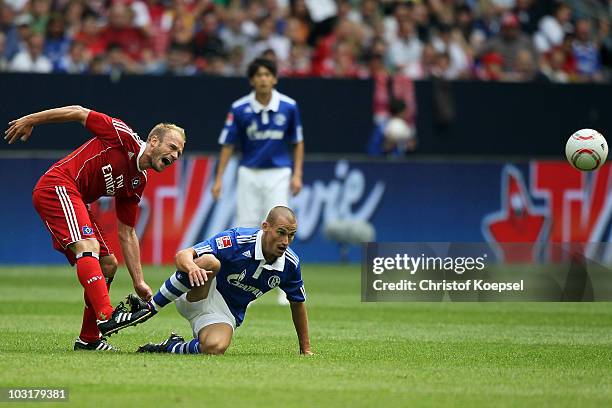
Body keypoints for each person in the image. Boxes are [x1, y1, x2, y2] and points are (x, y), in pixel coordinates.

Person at [4, 105, 185, 351]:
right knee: (88, 245)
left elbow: (127, 232)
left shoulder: (137, 181)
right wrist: (31, 119)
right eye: (172, 148)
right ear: (153, 141)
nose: (175, 156)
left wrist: (139, 281)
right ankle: (107, 315)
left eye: (179, 153)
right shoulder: (123, 137)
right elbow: (78, 112)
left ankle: (89, 339)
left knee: (108, 263)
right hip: (57, 185)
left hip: (75, 196)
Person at [136, 206, 312, 356]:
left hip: (224, 313)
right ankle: (150, 307)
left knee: (215, 347)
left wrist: (305, 349)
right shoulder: (237, 239)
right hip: (199, 289)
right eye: (281, 232)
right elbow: (183, 255)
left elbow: (297, 303)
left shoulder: (290, 264)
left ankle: (171, 346)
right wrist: (192, 269)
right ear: (265, 227)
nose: (285, 241)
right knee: (209, 262)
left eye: (291, 235)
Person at [211, 57, 304, 305]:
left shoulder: (289, 106)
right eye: (259, 75)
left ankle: (285, 289)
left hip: (278, 172)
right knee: (246, 226)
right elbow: (228, 144)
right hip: (249, 172)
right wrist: (218, 178)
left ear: (274, 78)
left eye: (267, 75)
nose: (263, 79)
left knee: (281, 228)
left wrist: (297, 174)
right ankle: (240, 282)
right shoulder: (240, 108)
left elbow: (297, 141)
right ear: (252, 80)